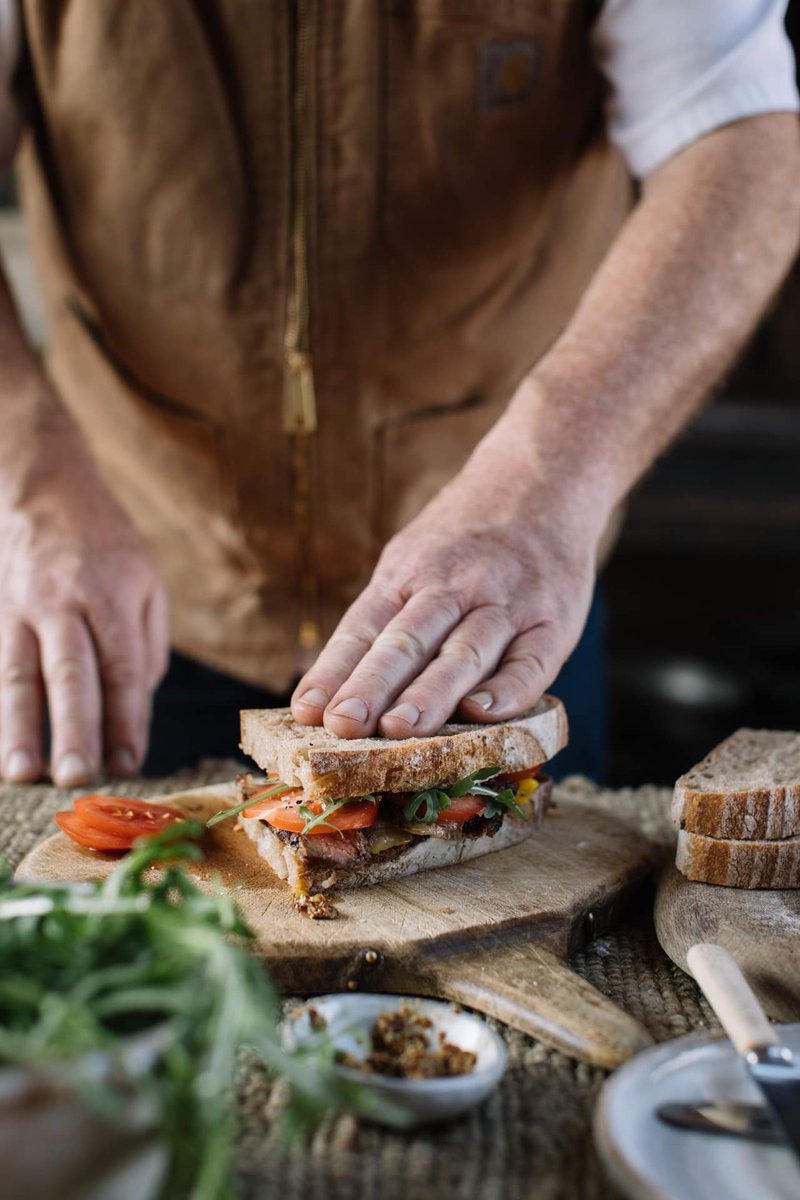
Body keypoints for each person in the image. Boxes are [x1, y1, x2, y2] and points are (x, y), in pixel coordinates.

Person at [0, 1, 798, 789]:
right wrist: (28, 475)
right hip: (120, 597)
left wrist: (542, 476)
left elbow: (741, 136)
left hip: (498, 592)